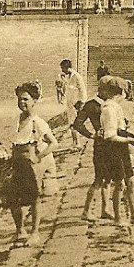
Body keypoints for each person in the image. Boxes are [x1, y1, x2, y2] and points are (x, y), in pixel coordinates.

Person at [7, 81, 59, 246]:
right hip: (17, 161)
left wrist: (39, 156)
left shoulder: (37, 122)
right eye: (19, 99)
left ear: (34, 101)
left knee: (34, 199)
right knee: (13, 198)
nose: (22, 103)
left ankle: (35, 233)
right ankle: (20, 230)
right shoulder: (18, 119)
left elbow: (54, 143)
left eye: (25, 99)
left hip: (30, 164)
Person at [99, 76, 134, 227]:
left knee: (130, 181)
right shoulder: (109, 110)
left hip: (121, 147)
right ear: (121, 93)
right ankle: (118, 217)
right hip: (113, 149)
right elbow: (110, 136)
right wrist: (128, 140)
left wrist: (129, 135)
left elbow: (120, 130)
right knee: (119, 183)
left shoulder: (115, 107)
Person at [73, 77, 111, 221]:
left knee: (108, 178)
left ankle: (105, 209)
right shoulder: (91, 105)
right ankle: (86, 211)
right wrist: (91, 135)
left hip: (112, 143)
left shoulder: (110, 104)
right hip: (101, 145)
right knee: (99, 178)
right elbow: (77, 124)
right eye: (109, 90)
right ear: (101, 89)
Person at [56, 59, 87, 146]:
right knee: (71, 123)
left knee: (74, 123)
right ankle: (75, 142)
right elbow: (63, 90)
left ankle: (77, 143)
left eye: (63, 68)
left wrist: (82, 101)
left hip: (77, 102)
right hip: (69, 103)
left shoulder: (76, 76)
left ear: (68, 68)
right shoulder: (64, 77)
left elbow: (82, 89)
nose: (62, 70)